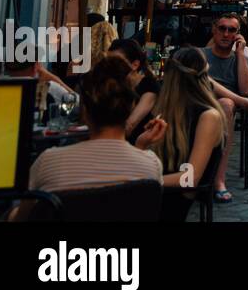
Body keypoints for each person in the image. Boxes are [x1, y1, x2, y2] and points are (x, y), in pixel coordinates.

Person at [28, 54, 164, 194]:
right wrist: (140, 147)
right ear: (131, 106)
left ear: (84, 110)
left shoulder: (49, 162)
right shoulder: (151, 166)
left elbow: (21, 214)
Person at [151, 47, 227, 217]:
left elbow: (190, 179)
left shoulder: (207, 117)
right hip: (157, 191)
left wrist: (142, 181)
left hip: (172, 199)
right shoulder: (169, 111)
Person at [203, 13, 248, 202]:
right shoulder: (201, 55)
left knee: (227, 104)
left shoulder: (239, 58)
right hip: (199, 105)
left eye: (232, 30)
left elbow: (247, 89)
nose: (226, 34)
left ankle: (219, 179)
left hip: (225, 110)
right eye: (222, 28)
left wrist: (240, 53)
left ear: (238, 35)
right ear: (214, 31)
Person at [108, 38, 157, 140]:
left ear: (135, 65)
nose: (110, 66)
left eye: (116, 62)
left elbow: (129, 125)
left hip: (137, 147)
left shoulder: (149, 86)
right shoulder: (116, 84)